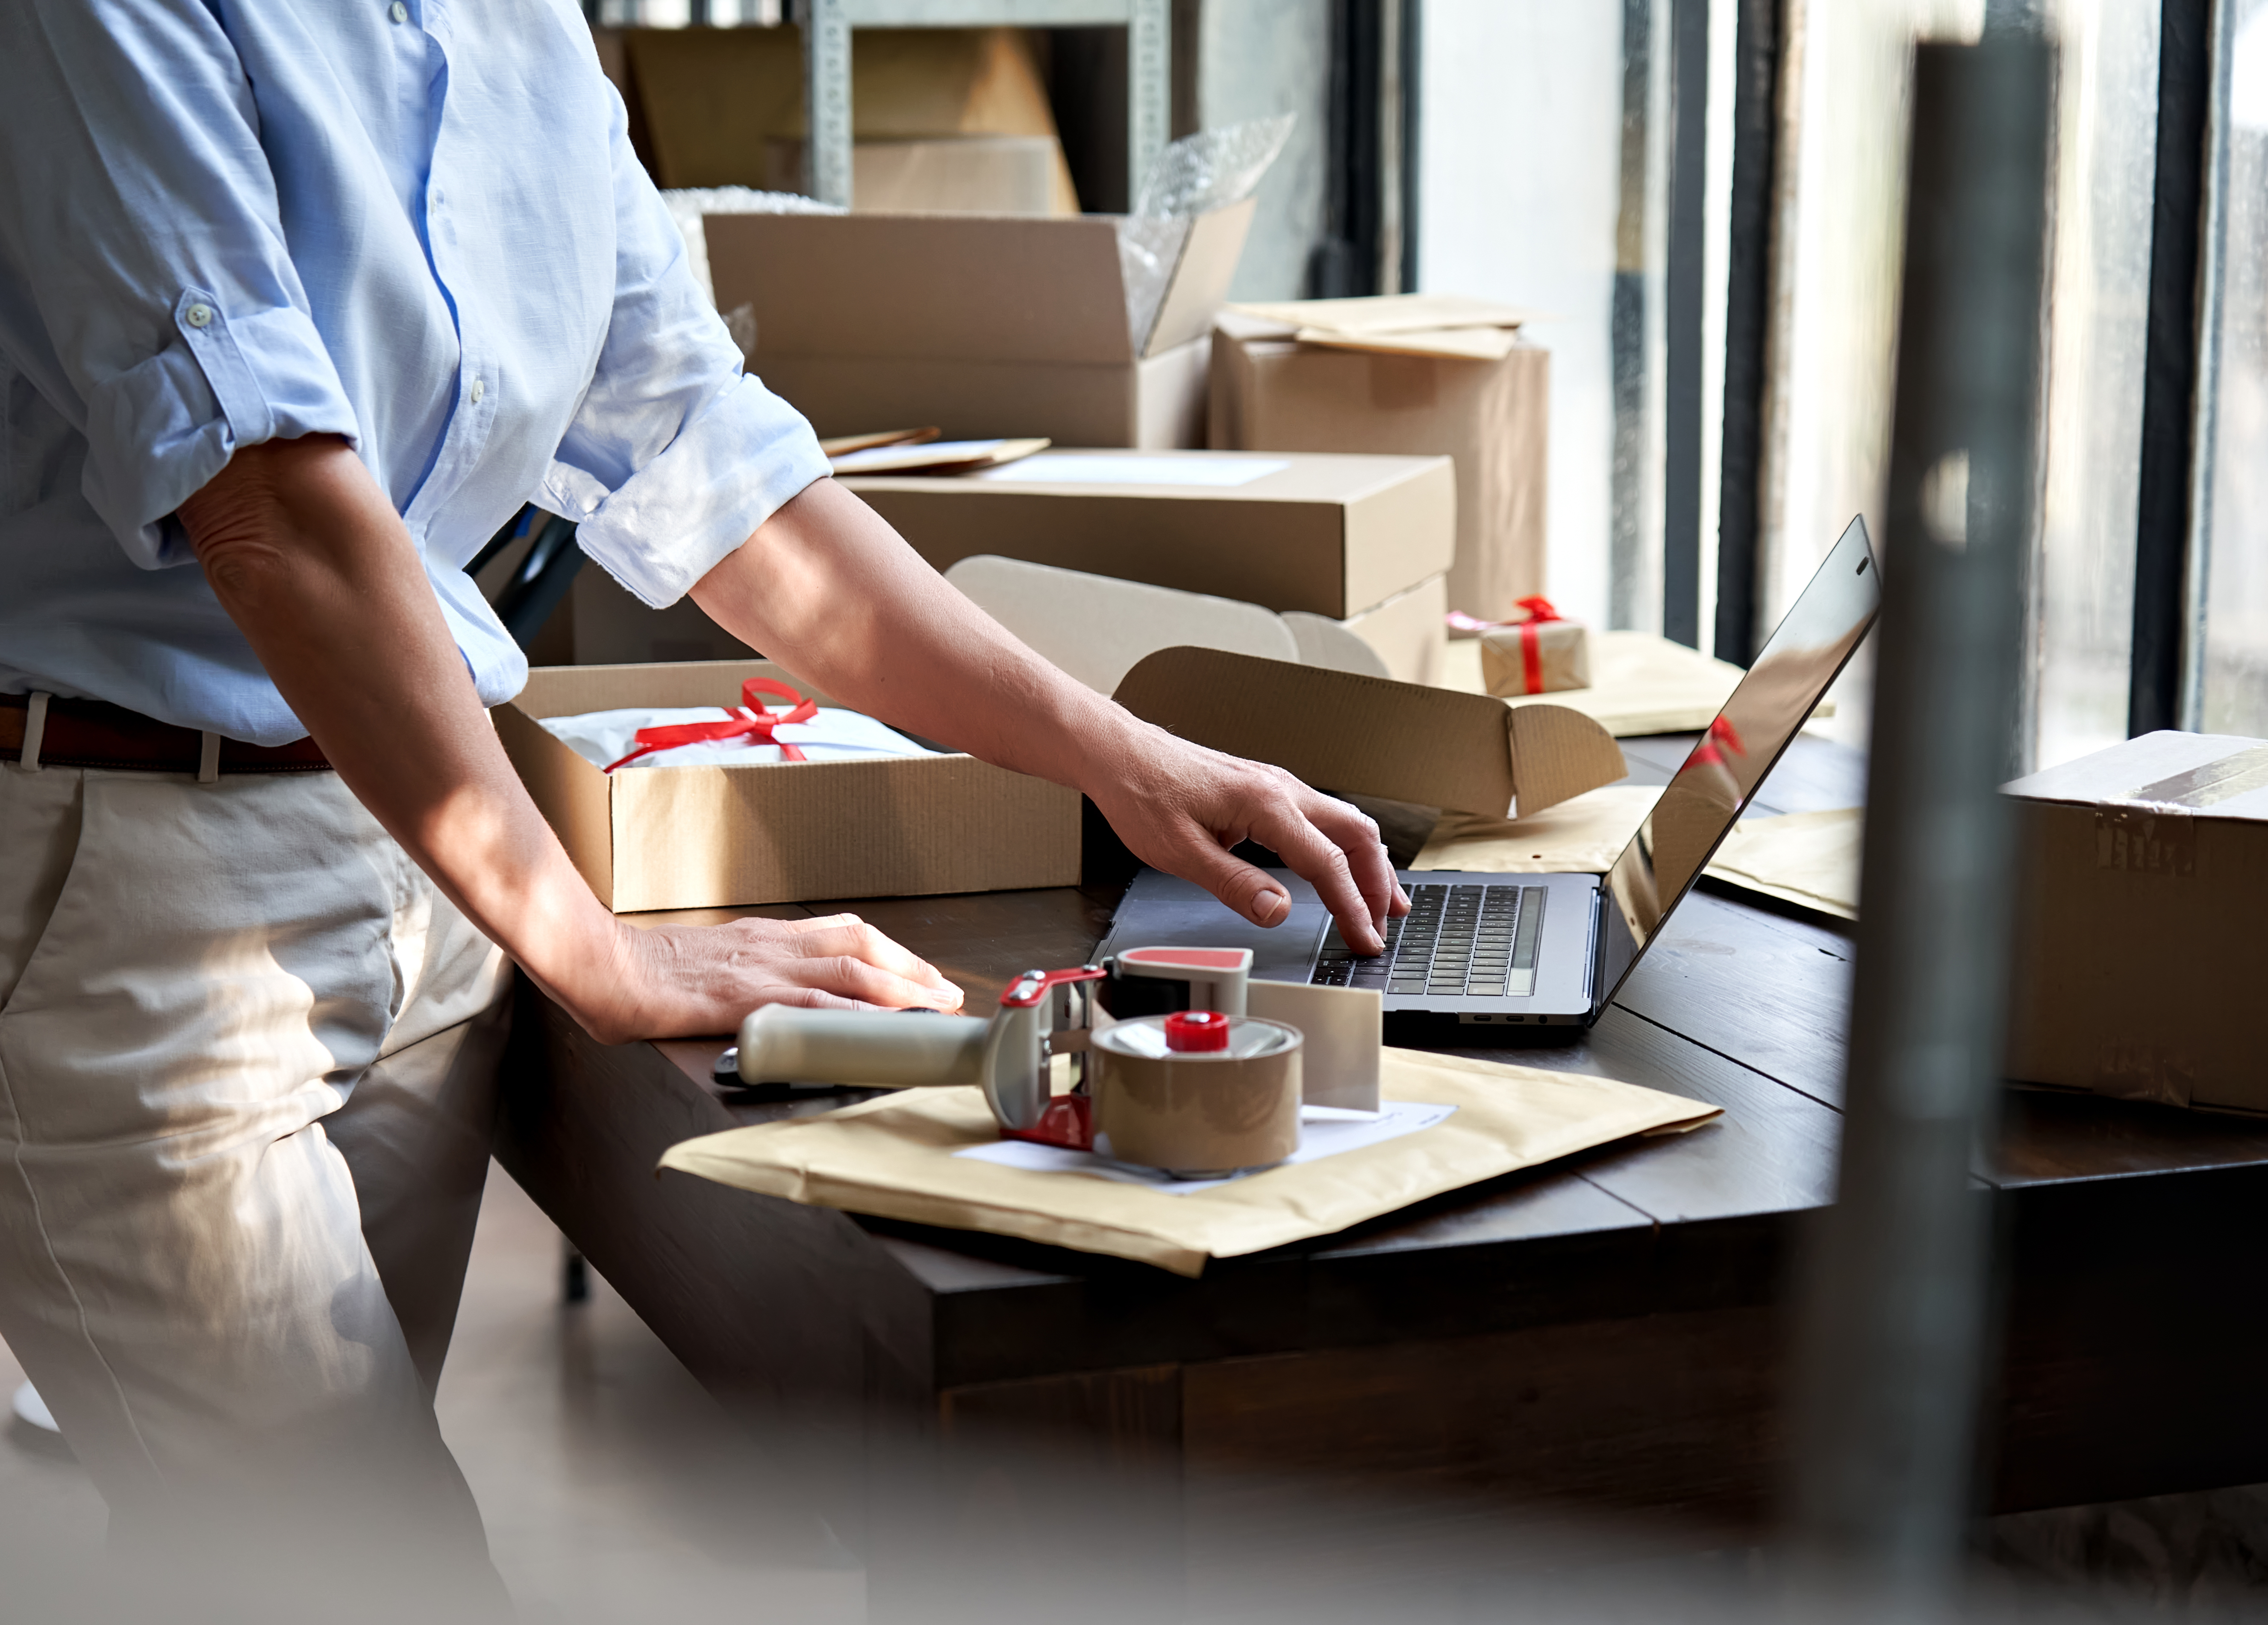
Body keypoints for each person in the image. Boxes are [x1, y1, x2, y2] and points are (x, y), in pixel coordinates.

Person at [0, 0, 1403, 1602]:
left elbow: (716, 464)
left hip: (410, 852)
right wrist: (602, 953)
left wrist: (1120, 753)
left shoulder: (517, 29)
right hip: (131, 883)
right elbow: (275, 513)